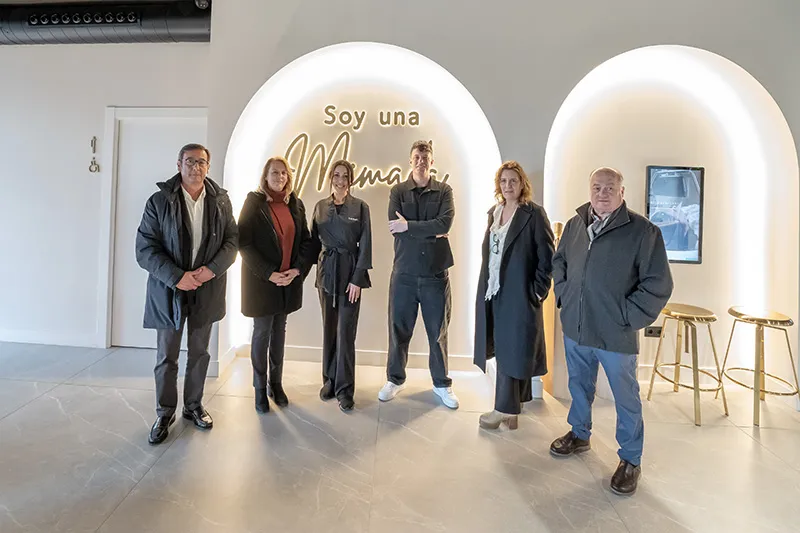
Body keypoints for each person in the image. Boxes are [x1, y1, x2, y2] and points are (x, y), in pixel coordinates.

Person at [550, 167, 673, 496]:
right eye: (596, 187)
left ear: (622, 191)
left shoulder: (643, 232)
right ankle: (579, 433)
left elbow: (658, 283)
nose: (602, 193)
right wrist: (563, 295)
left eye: (609, 187)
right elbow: (559, 261)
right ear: (589, 190)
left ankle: (630, 459)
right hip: (576, 327)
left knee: (625, 397)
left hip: (616, 334)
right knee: (578, 386)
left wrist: (627, 316)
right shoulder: (576, 225)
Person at [136, 143, 238, 445]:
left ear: (209, 166)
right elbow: (145, 250)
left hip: (206, 288)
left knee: (200, 353)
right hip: (169, 290)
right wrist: (177, 277)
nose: (196, 167)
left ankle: (193, 406)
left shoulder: (220, 201)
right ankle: (164, 412)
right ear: (179, 163)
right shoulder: (159, 201)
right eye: (190, 161)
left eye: (201, 162)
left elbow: (232, 241)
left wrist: (211, 270)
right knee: (166, 356)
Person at [474, 161, 554, 430]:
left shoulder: (533, 214)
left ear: (522, 185)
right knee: (505, 346)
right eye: (504, 181)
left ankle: (502, 409)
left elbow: (547, 258)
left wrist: (537, 292)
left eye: (513, 181)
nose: (508, 186)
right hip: (494, 289)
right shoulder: (494, 213)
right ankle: (513, 409)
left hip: (519, 293)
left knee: (511, 349)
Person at [379, 140, 459, 408]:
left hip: (435, 274)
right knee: (398, 330)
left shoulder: (444, 190)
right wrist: (430, 231)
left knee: (438, 332)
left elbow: (445, 222)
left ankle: (441, 384)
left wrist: (409, 226)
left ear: (431, 162)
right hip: (403, 273)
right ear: (410, 160)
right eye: (416, 157)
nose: (421, 161)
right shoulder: (398, 191)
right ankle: (395, 379)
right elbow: (394, 225)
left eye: (425, 158)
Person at [238, 156, 312, 413]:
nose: (279, 177)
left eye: (283, 173)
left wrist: (297, 270)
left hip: (288, 281)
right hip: (263, 281)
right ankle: (259, 389)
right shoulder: (254, 202)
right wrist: (268, 273)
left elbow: (307, 242)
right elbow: (243, 242)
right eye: (274, 173)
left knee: (279, 332)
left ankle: (275, 384)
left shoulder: (296, 204)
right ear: (265, 176)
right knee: (262, 333)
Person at [308, 160, 372, 412]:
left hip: (349, 272)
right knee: (328, 328)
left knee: (346, 331)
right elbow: (312, 242)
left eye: (345, 175)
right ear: (330, 177)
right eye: (336, 175)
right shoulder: (320, 206)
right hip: (326, 272)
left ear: (351, 179)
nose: (340, 179)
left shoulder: (360, 207)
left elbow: (366, 242)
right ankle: (329, 380)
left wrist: (357, 278)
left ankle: (345, 389)